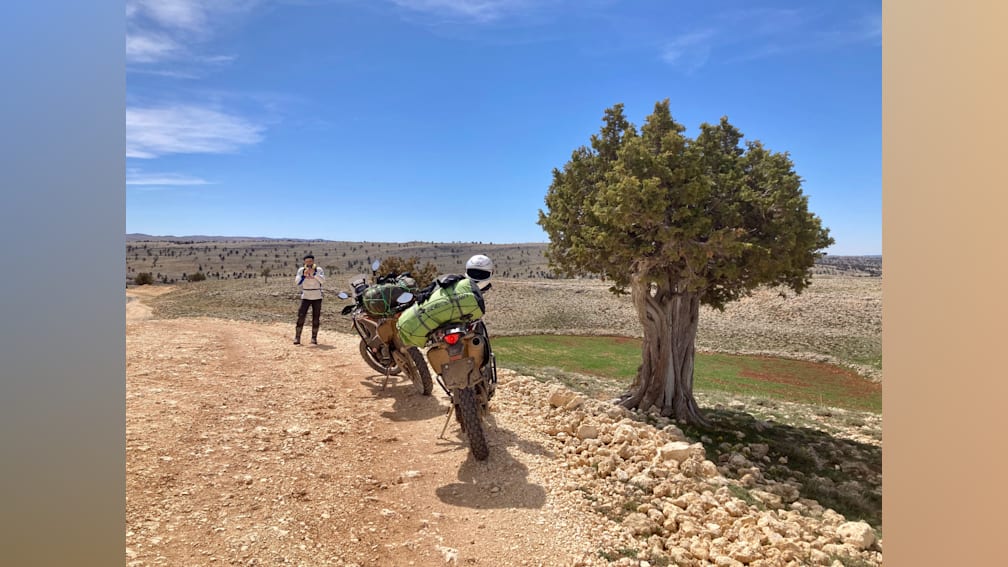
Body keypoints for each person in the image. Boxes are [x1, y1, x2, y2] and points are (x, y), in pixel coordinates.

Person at [294, 254, 325, 345]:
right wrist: (303, 276)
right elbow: (297, 282)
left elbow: (322, 281)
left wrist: (314, 274)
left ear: (313, 261)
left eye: (310, 261)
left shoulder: (319, 270)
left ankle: (314, 338)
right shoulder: (301, 270)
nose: (309, 263)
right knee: (301, 316)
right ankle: (297, 337)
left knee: (316, 318)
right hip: (306, 296)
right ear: (304, 262)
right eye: (307, 262)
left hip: (317, 296)